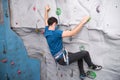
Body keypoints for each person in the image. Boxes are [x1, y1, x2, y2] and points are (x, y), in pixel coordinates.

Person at [44, 5, 102, 80]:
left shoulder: (46, 30)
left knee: (79, 56)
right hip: (63, 59)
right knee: (85, 53)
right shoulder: (56, 33)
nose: (56, 26)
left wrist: (46, 10)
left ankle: (82, 74)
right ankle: (91, 65)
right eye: (56, 25)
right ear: (54, 24)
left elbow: (45, 19)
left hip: (60, 57)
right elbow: (73, 33)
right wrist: (83, 22)